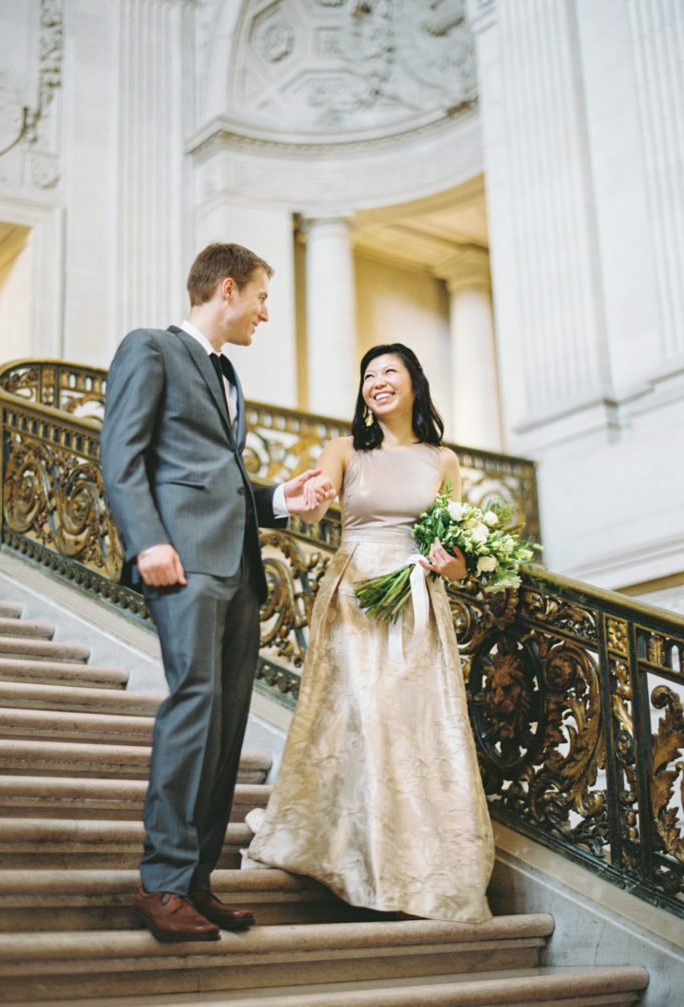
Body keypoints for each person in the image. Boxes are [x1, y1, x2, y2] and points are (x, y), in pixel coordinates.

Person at [100, 242, 334, 942]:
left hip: (236, 568)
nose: (266, 313)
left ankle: (196, 881)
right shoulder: (150, 348)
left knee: (228, 723)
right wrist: (147, 540)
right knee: (195, 707)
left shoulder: (226, 374)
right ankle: (161, 880)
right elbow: (121, 452)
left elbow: (219, 482)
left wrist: (281, 499)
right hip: (182, 562)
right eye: (262, 298)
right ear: (227, 289)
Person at [246, 343, 494, 924]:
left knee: (411, 727)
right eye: (368, 375)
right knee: (363, 716)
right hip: (355, 594)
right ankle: (351, 856)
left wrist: (446, 561)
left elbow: (460, 558)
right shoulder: (343, 450)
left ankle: (415, 869)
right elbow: (313, 507)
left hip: (416, 602)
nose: (377, 382)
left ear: (414, 383)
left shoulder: (444, 461)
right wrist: (312, 496)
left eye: (389, 372)